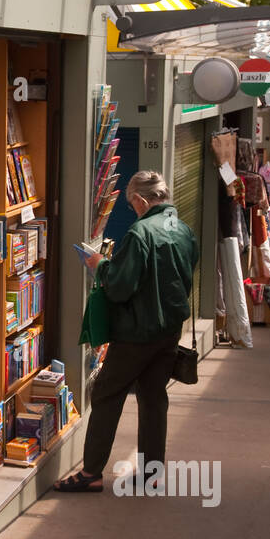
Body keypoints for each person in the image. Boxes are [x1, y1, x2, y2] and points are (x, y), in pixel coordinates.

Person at [55, 170, 199, 492]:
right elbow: (183, 273)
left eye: (132, 203)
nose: (132, 210)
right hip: (169, 330)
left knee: (106, 393)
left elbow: (120, 287)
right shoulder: (184, 230)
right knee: (153, 397)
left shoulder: (140, 233)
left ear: (141, 200)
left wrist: (99, 265)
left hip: (137, 332)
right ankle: (151, 475)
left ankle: (91, 473)